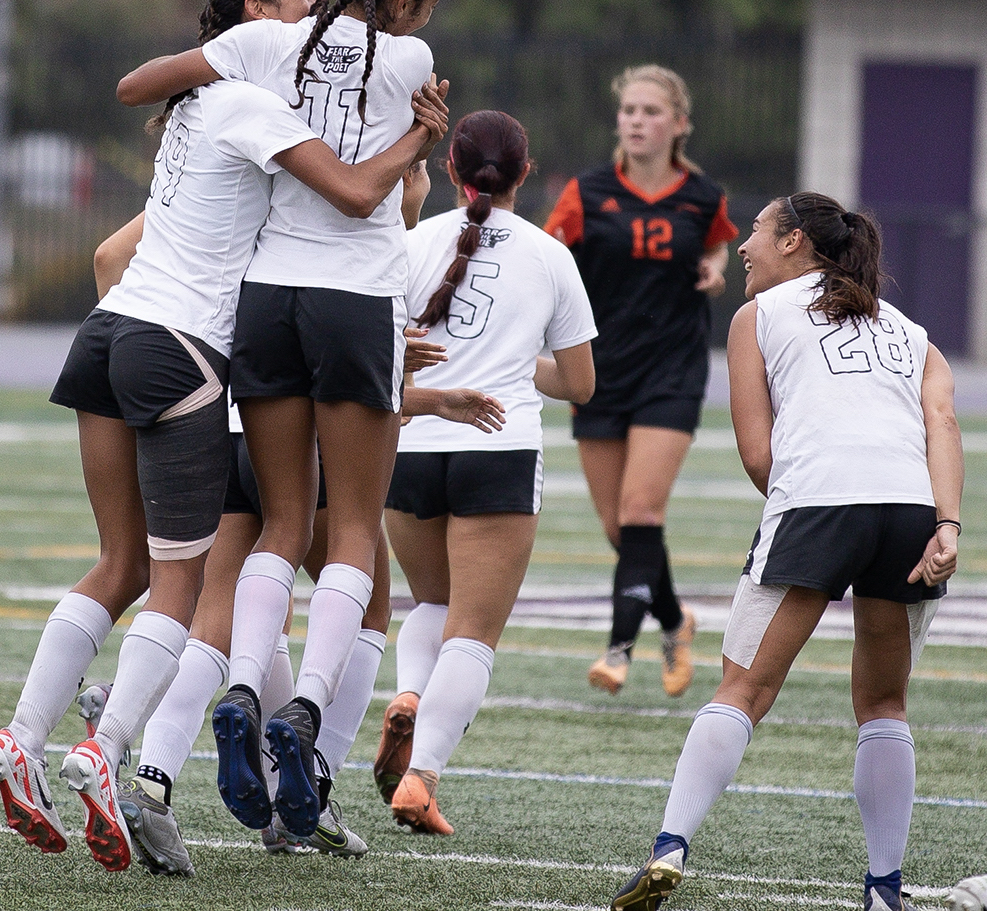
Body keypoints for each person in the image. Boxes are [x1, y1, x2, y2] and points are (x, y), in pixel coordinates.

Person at [0, 0, 449, 873]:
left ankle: (17, 739)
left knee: (118, 564)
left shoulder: (200, 100)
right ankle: (108, 754)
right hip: (182, 347)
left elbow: (117, 224)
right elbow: (358, 197)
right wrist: (417, 142)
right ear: (253, 14)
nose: (315, 6)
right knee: (184, 585)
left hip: (108, 334)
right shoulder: (260, 95)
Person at [116, 0, 447, 840]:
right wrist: (421, 128)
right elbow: (381, 192)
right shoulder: (412, 54)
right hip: (355, 296)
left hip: (266, 296)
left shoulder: (264, 42)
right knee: (352, 535)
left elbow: (144, 83)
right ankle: (300, 709)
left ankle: (236, 688)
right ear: (412, 5)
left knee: (279, 520)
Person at [83, 161, 503, 871]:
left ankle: (148, 770)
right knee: (367, 601)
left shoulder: (240, 193)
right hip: (309, 448)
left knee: (218, 618)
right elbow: (358, 390)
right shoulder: (365, 227)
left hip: (225, 420)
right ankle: (314, 781)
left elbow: (109, 258)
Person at [611, 192, 960, 911]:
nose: (743, 245)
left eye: (757, 231)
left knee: (742, 689)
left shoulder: (757, 316)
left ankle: (669, 846)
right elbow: (943, 419)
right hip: (911, 507)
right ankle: (884, 889)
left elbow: (758, 451)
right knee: (885, 702)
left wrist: (811, 516)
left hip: (818, 499)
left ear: (796, 242)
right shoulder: (910, 329)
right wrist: (947, 526)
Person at [376, 110, 597, 834]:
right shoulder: (548, 254)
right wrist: (513, 358)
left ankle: (408, 693)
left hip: (411, 446)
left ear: (449, 171)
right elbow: (580, 384)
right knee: (473, 633)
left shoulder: (409, 245)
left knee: (430, 606)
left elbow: (381, 356)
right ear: (525, 174)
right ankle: (423, 777)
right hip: (499, 449)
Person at [544, 64, 738, 697]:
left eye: (651, 111)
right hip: (600, 369)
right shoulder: (587, 191)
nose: (637, 121)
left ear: (678, 124)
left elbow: (717, 246)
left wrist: (713, 269)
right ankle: (677, 619)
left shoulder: (703, 196)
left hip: (672, 368)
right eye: (629, 110)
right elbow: (544, 255)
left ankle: (619, 649)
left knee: (640, 510)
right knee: (621, 531)